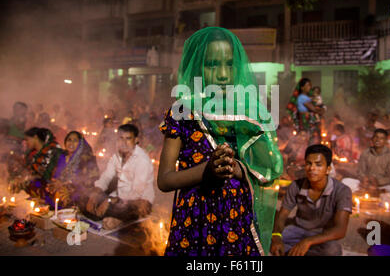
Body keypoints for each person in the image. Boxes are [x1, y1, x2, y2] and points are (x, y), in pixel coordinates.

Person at [158, 27, 283, 256]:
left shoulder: (248, 114)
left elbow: (271, 169)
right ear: (197, 67)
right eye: (213, 65)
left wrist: (239, 169)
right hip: (194, 216)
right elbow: (164, 180)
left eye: (230, 64)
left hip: (235, 216)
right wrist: (207, 171)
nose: (224, 74)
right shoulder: (183, 112)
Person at [270, 144, 352, 256]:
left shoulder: (342, 191)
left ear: (328, 169)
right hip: (297, 230)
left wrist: (307, 242)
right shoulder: (296, 186)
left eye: (318, 165)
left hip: (322, 234)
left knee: (333, 250)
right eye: (309, 163)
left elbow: (340, 230)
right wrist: (277, 237)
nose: (312, 168)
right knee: (269, 241)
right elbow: (283, 215)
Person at [85, 124, 154, 230]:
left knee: (122, 209)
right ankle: (113, 216)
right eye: (121, 138)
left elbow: (136, 192)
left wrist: (109, 201)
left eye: (128, 138)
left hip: (138, 201)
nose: (124, 143)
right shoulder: (116, 156)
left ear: (136, 140)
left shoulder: (142, 160)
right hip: (118, 198)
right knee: (87, 199)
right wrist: (95, 194)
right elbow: (106, 177)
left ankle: (119, 219)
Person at [342, 129, 390, 205]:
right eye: (376, 137)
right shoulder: (365, 153)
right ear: (372, 139)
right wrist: (364, 179)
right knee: (345, 181)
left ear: (385, 141)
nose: (378, 140)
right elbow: (360, 171)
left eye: (381, 138)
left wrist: (377, 182)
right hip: (364, 184)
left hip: (382, 186)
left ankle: (376, 199)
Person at [9, 127, 63, 200]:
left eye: (27, 139)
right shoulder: (33, 154)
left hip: (51, 191)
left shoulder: (51, 150)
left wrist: (25, 179)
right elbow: (28, 171)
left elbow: (43, 174)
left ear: (35, 137)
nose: (26, 143)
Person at [48, 131, 100, 208]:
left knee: (64, 192)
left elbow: (88, 181)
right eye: (69, 140)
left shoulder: (85, 159)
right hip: (61, 188)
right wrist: (54, 184)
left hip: (79, 191)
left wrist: (65, 184)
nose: (71, 143)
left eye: (75, 141)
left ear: (80, 144)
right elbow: (56, 176)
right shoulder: (62, 157)